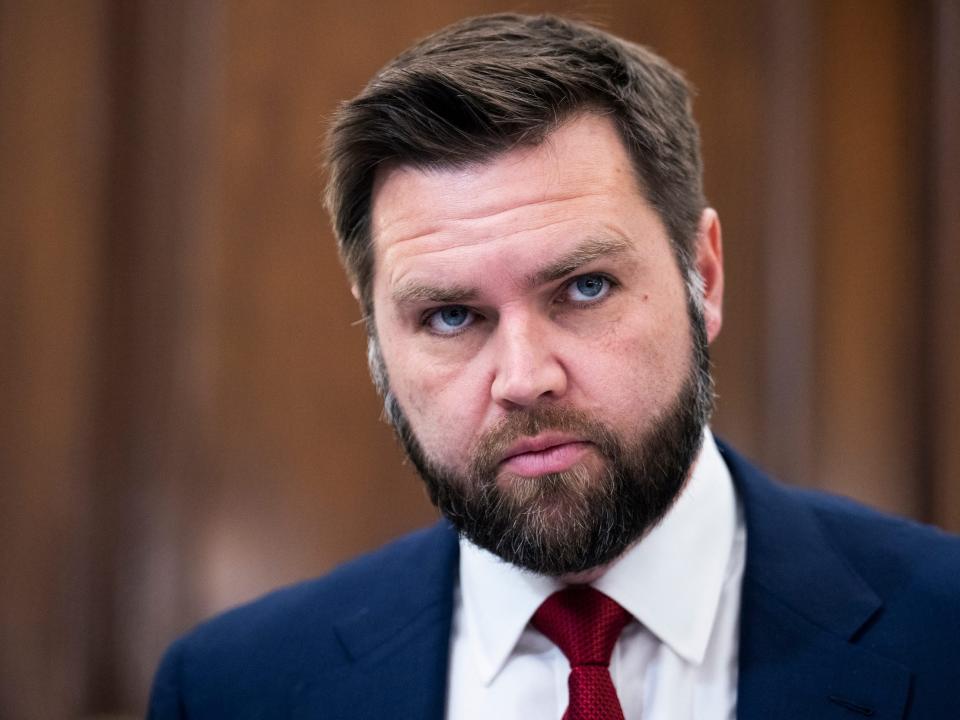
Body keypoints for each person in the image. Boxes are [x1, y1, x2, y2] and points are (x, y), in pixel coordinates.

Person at [148, 13, 960, 720]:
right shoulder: (232, 689)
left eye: (584, 287)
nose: (523, 377)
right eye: (451, 316)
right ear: (378, 346)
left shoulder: (943, 628)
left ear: (702, 279)